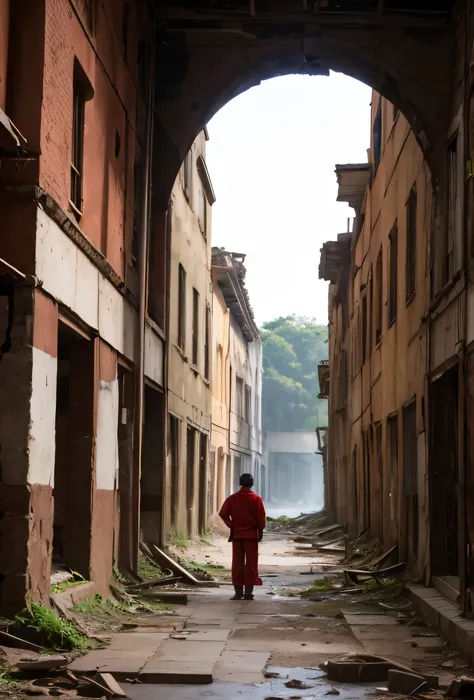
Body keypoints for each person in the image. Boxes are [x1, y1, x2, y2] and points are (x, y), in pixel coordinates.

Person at [218, 472, 266, 600]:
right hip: (252, 535)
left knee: (237, 563)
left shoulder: (232, 498)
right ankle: (248, 592)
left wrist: (231, 525)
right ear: (251, 484)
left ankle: (238, 592)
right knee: (251, 563)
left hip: (237, 535)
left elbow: (223, 513)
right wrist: (260, 531)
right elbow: (262, 521)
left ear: (240, 483)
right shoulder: (256, 499)